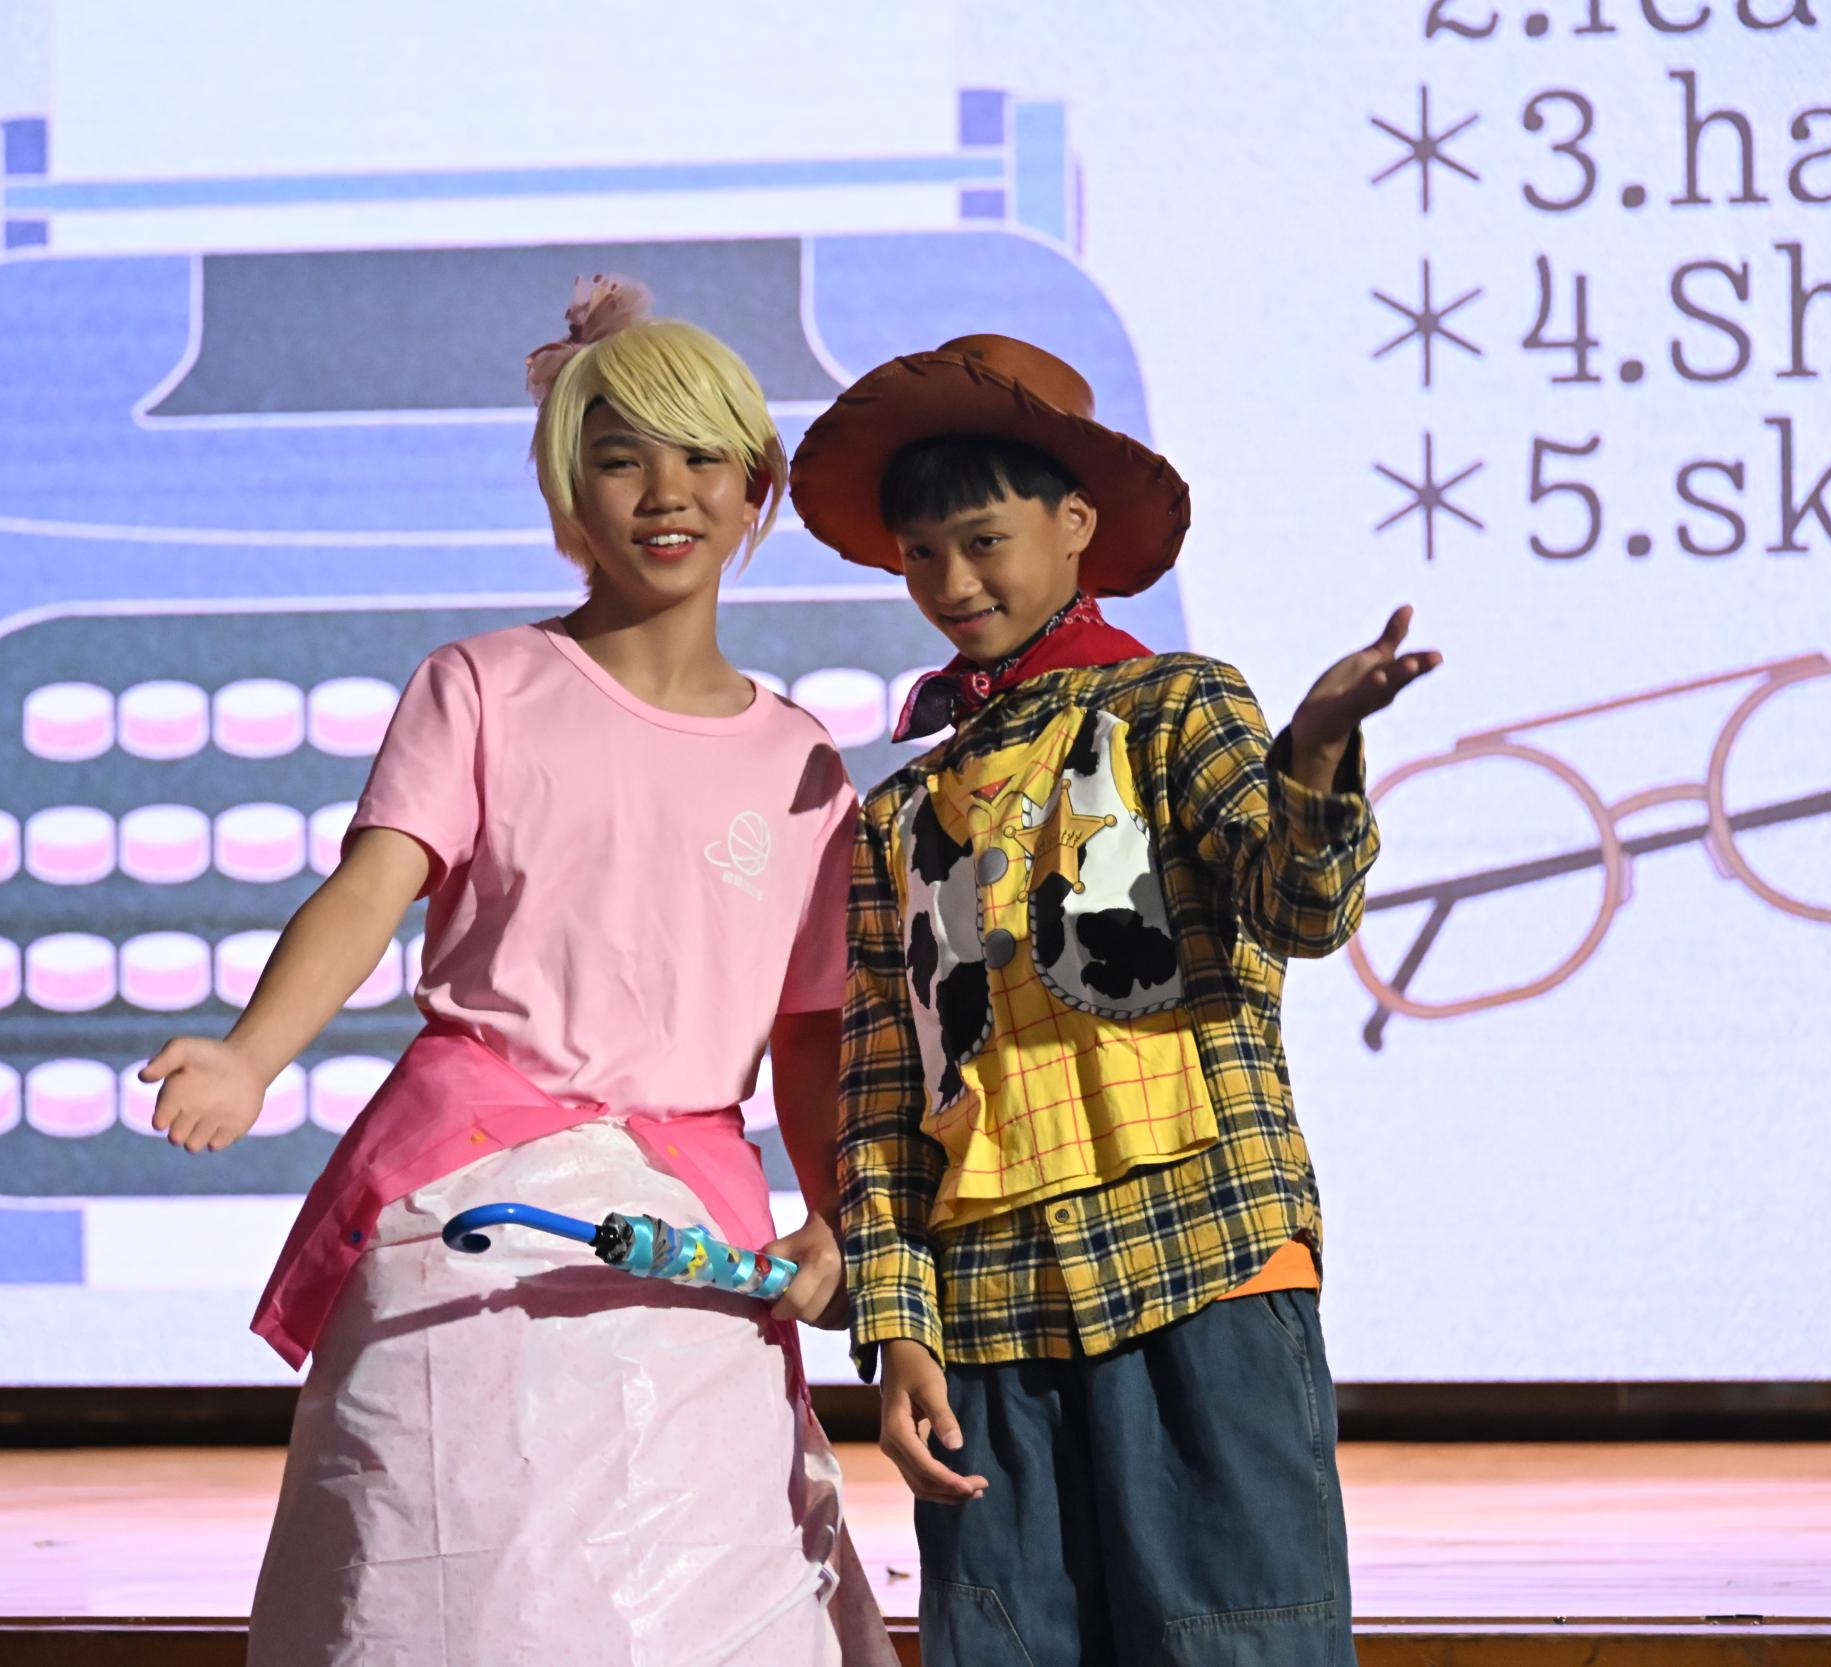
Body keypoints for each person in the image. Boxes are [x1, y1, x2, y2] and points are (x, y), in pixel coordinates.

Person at [143, 278, 890, 1665]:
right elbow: (371, 887)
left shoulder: (801, 763)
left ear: (757, 488)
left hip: (691, 1229)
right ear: (565, 497)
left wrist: (845, 1223)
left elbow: (807, 1037)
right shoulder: (481, 683)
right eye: (619, 459)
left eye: (702, 455)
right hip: (467, 1201)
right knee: (442, 1575)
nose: (664, 492)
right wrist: (250, 1055)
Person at [791, 334, 1440, 1664]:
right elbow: (884, 1095)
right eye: (922, 555)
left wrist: (1316, 754)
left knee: (1239, 1644)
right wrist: (898, 1327)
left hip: (1200, 1269)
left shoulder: (1171, 707)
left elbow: (1301, 912)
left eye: (984, 542)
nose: (953, 584)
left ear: (1076, 524)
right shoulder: (901, 810)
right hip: (991, 1317)